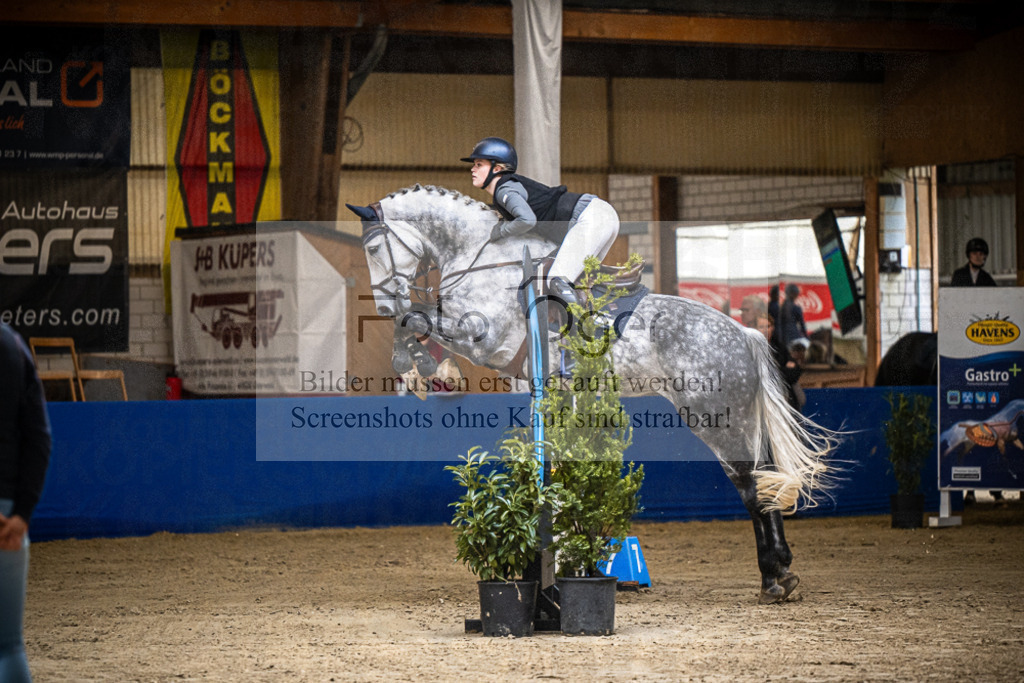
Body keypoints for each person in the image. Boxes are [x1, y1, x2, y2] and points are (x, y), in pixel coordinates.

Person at [461, 136, 620, 309]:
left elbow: (527, 220)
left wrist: (500, 231)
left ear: (497, 168)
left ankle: (589, 327)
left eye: (479, 164)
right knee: (581, 282)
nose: (472, 169)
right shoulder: (508, 188)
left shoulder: (504, 189)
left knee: (557, 282)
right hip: (599, 215)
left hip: (590, 218)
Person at [0, 322, 52, 683]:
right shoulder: (13, 346)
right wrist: (22, 513)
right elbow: (39, 438)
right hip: (8, 518)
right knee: (9, 646)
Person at [949, 238, 1002, 503]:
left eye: (982, 253)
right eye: (976, 253)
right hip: (961, 333)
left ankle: (995, 486)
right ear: (970, 255)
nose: (979, 256)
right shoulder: (958, 276)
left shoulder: (988, 280)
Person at [777, 283, 807, 360]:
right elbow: (802, 325)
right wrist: (807, 337)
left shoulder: (780, 307)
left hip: (782, 339)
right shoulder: (796, 308)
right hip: (795, 337)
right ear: (795, 294)